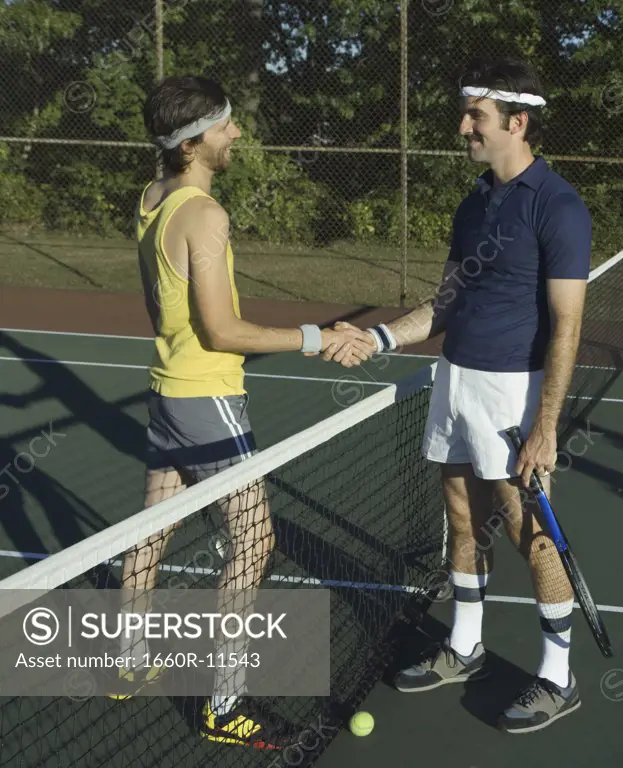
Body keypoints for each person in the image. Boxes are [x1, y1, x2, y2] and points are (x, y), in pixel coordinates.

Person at [112, 75, 373, 750]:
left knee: (153, 523)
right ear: (194, 143)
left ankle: (131, 656)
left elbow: (168, 308)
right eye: (225, 126)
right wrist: (319, 337)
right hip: (207, 398)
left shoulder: (152, 199)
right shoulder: (203, 215)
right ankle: (224, 705)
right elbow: (224, 330)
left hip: (167, 389)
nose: (236, 134)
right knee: (255, 542)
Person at [336, 57, 592, 733]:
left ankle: (557, 678)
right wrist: (380, 340)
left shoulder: (558, 206)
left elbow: (568, 325)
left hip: (513, 392)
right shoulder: (474, 201)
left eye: (475, 115)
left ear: (517, 121)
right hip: (455, 381)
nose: (463, 127)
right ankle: (466, 643)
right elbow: (446, 301)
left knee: (528, 534)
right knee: (458, 518)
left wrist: (546, 426)